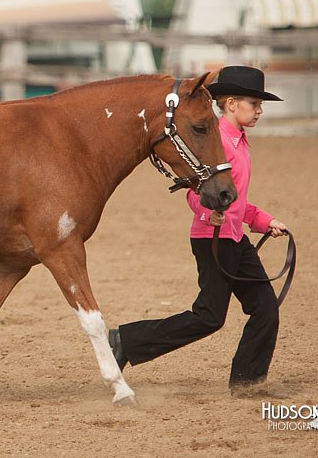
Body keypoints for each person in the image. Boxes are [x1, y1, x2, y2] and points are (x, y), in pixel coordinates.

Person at [109, 65, 288, 393]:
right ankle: (126, 340)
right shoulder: (215, 139)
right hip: (212, 239)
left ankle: (247, 383)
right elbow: (194, 191)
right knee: (209, 316)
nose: (259, 110)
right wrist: (209, 211)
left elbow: (236, 199)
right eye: (254, 103)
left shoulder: (241, 142)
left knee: (266, 310)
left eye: (261, 105)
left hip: (236, 238)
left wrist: (264, 221)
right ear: (231, 104)